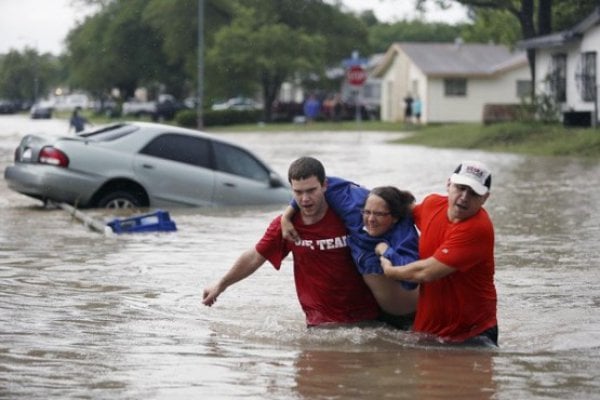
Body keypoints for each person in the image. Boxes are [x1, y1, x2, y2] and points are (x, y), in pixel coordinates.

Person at [202, 157, 381, 327]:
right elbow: (255, 257)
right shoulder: (286, 225)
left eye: (311, 190)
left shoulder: (350, 216)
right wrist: (221, 284)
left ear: (325, 185)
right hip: (320, 324)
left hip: (369, 319)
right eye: (298, 192)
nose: (305, 199)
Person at [378, 160, 498, 346]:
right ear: (449, 184)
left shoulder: (478, 229)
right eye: (460, 188)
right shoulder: (432, 205)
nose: (464, 197)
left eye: (473, 193)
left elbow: (426, 272)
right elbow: (399, 208)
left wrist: (390, 270)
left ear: (485, 198)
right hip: (427, 332)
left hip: (472, 336)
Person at [281, 177, 420, 327]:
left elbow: (411, 280)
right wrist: (287, 215)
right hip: (376, 312)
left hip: (409, 316)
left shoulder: (403, 235)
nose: (371, 219)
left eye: (379, 214)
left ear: (394, 218)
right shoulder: (354, 209)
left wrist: (386, 251)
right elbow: (316, 183)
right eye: (367, 212)